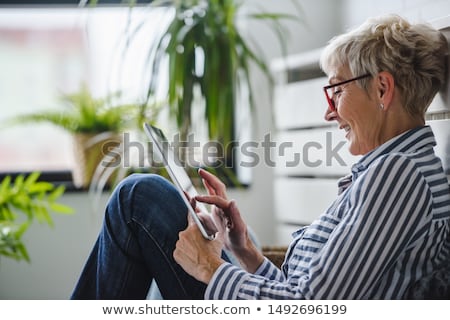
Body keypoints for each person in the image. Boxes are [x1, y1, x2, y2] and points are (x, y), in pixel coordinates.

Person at [71, 14, 450, 299]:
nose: (328, 111)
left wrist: (210, 266)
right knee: (169, 210)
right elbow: (310, 290)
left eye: (335, 90)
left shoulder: (399, 175)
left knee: (138, 196)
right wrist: (245, 252)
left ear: (383, 89)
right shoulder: (391, 171)